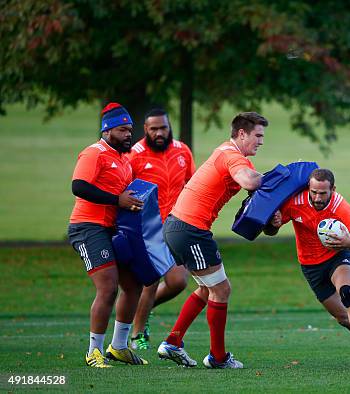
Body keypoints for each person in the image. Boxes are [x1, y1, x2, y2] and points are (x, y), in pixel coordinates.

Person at [156, 112, 267, 368]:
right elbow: (249, 181)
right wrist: (282, 177)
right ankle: (217, 358)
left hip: (181, 227)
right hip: (189, 229)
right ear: (241, 133)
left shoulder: (230, 153)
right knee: (222, 289)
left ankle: (173, 341)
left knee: (208, 289)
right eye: (257, 135)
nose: (261, 142)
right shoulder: (231, 155)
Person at [264, 169, 350, 369]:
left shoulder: (341, 208)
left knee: (347, 293)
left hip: (337, 256)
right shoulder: (295, 202)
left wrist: (349, 242)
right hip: (310, 265)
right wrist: (273, 223)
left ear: (333, 189)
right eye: (314, 192)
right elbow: (270, 231)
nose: (317, 198)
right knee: (342, 317)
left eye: (323, 193)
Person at [68, 103, 148, 368]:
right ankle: (93, 352)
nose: (128, 135)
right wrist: (118, 200)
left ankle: (119, 347)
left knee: (134, 284)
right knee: (108, 287)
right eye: (123, 130)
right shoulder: (95, 153)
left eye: (130, 130)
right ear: (107, 131)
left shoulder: (124, 160)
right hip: (88, 227)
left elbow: (124, 198)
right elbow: (78, 187)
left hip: (113, 230)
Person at [126, 108, 195, 350]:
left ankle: (141, 310)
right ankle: (137, 334)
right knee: (151, 280)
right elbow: (124, 192)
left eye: (162, 128)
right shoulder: (134, 155)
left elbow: (191, 184)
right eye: (153, 128)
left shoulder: (182, 151)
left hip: (176, 225)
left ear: (169, 127)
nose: (158, 133)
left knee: (178, 282)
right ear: (145, 129)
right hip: (148, 228)